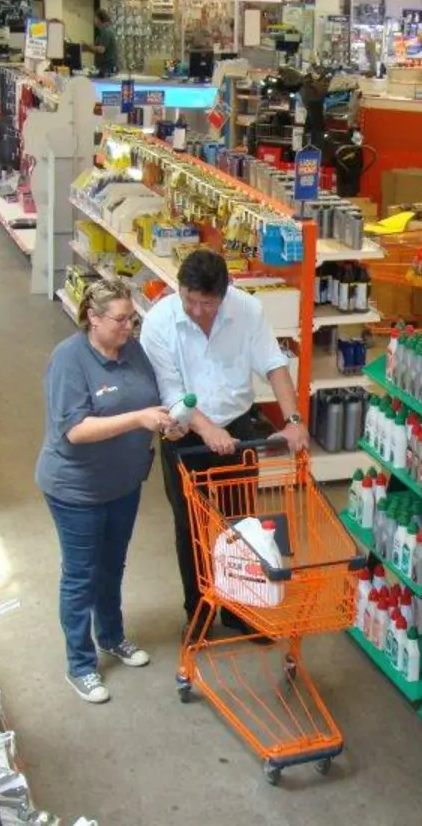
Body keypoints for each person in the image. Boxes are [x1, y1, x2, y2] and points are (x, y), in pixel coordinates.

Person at [140, 249, 309, 636]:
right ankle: (198, 612)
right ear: (178, 289)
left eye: (207, 303)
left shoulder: (247, 310)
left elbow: (273, 365)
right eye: (190, 300)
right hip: (184, 435)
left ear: (225, 292)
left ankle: (240, 608)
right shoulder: (159, 322)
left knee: (242, 524)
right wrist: (206, 428)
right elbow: (170, 390)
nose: (197, 310)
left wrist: (294, 420)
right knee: (192, 528)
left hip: (238, 428)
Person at [35, 279, 176, 704]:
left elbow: (151, 400)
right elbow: (75, 430)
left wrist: (169, 419)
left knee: (112, 565)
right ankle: (79, 665)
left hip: (123, 484)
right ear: (92, 319)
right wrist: (138, 420)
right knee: (81, 576)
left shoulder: (133, 351)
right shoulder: (69, 360)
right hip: (76, 489)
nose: (129, 327)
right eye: (120, 319)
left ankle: (111, 635)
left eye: (132, 317)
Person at [92, 7, 119, 78]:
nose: (94, 20)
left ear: (99, 19)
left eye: (95, 18)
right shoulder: (104, 31)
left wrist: (90, 47)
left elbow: (102, 49)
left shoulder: (106, 31)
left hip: (107, 68)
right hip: (105, 67)